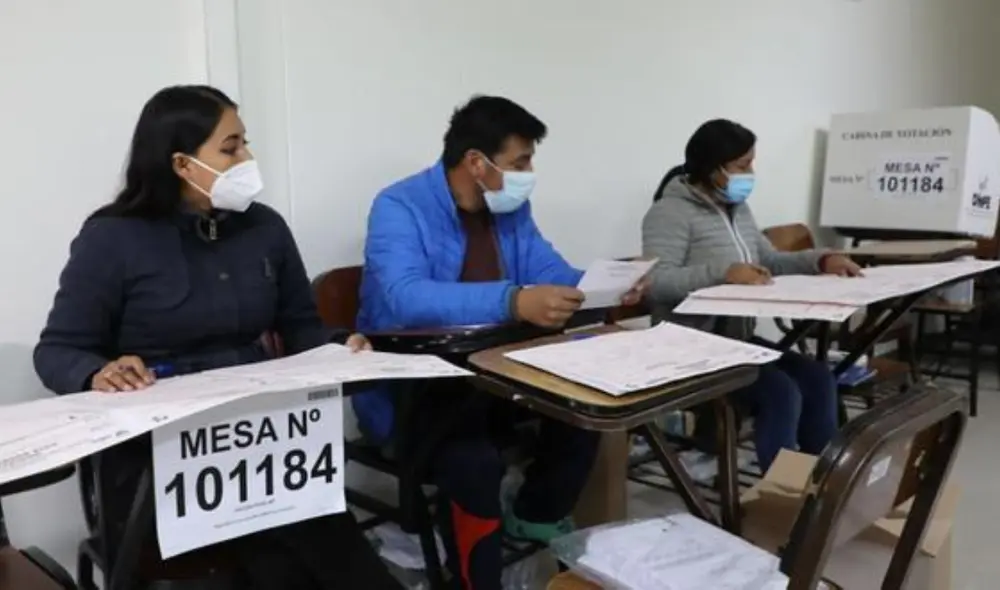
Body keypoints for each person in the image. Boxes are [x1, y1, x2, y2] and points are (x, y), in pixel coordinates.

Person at [34, 85, 401, 590]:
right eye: (231, 147)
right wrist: (96, 372)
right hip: (156, 458)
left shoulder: (264, 228)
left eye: (244, 143)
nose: (247, 157)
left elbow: (300, 326)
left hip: (265, 445)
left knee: (344, 568)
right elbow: (57, 350)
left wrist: (341, 346)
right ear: (182, 164)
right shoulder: (113, 238)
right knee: (259, 571)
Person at [357, 96, 638, 590]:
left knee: (588, 399)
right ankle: (476, 579)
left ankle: (535, 513)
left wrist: (601, 285)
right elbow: (406, 297)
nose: (529, 174)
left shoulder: (508, 209)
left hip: (495, 369)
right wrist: (514, 301)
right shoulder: (398, 206)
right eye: (520, 162)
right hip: (417, 382)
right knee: (473, 461)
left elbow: (546, 269)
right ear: (475, 162)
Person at [642, 118, 862, 471]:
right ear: (713, 166)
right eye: (743, 165)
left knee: (819, 378)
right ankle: (782, 496)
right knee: (781, 392)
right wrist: (724, 273)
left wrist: (822, 259)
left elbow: (769, 260)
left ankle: (824, 484)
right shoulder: (669, 213)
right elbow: (656, 282)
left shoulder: (738, 210)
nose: (750, 173)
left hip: (736, 341)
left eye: (751, 163)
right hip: (688, 348)